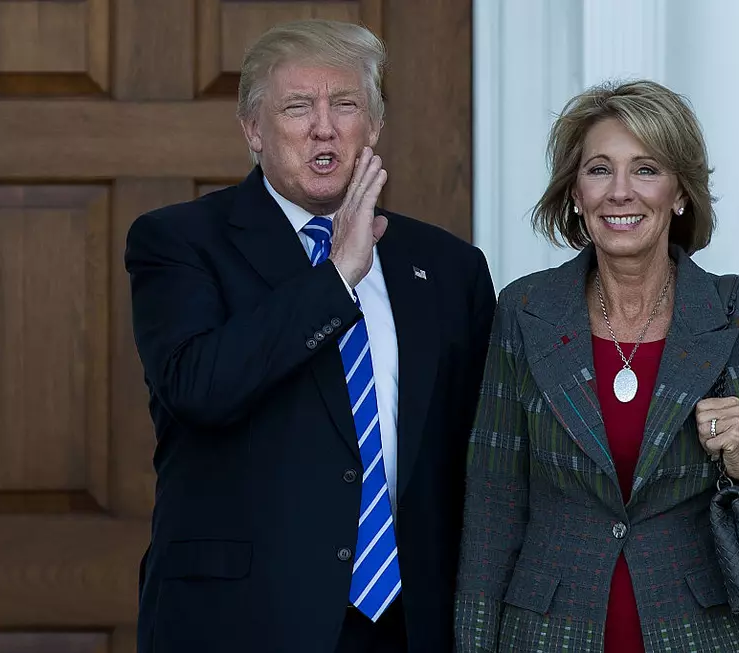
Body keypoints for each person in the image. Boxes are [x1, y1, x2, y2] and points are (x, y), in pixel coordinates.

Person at [125, 19, 496, 653]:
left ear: (371, 128)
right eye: (298, 107)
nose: (324, 126)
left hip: (408, 624)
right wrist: (337, 279)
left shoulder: (450, 267)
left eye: (345, 105)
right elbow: (199, 387)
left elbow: (478, 452)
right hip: (244, 621)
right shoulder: (179, 243)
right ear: (252, 130)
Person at [453, 80, 739, 653]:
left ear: (679, 193)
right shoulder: (525, 311)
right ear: (575, 192)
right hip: (545, 634)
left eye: (645, 169)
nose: (621, 192)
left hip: (700, 633)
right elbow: (493, 508)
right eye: (599, 169)